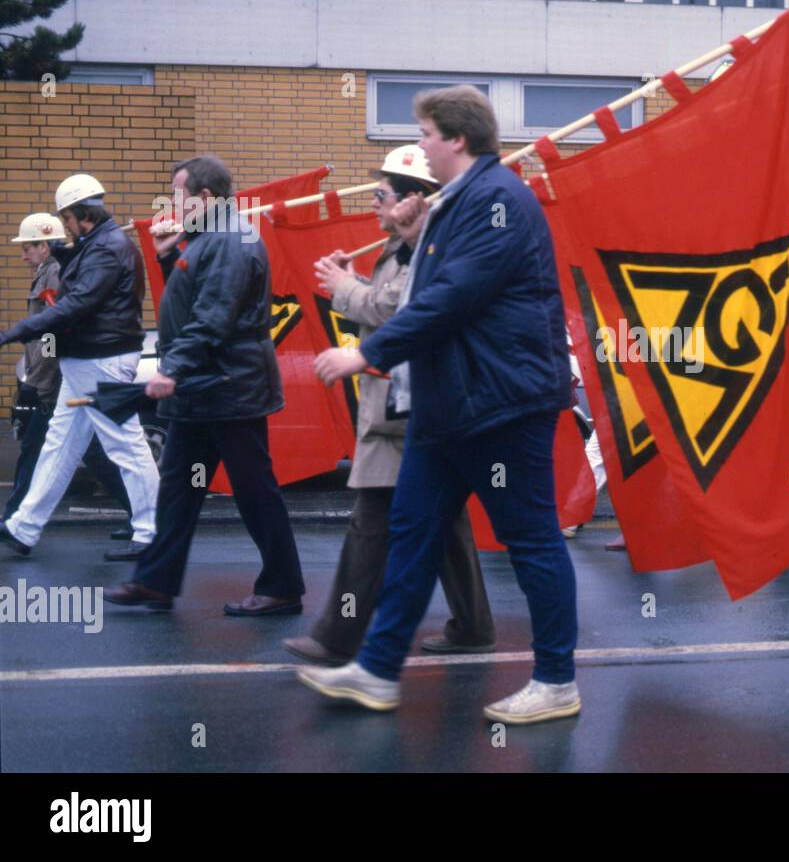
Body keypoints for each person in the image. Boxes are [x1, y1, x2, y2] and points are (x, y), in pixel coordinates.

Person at [304, 86, 579, 723]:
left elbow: (449, 299)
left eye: (426, 133)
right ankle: (376, 670)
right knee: (413, 534)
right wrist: (404, 236)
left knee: (531, 537)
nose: (420, 145)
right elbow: (425, 284)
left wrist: (365, 354)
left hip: (500, 402)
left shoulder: (497, 200)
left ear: (456, 138)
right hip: (448, 404)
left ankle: (557, 680)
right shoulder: (455, 203)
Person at [283, 145, 496, 664]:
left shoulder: (430, 250)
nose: (375, 203)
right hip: (408, 404)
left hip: (407, 408)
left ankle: (336, 637)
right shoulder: (403, 247)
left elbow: (401, 310)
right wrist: (352, 282)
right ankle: (473, 626)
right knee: (445, 525)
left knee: (371, 523)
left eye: (382, 195)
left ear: (412, 200)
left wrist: (344, 288)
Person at [105, 155, 305, 615]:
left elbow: (213, 317)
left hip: (230, 386)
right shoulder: (209, 238)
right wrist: (169, 256)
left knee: (254, 488)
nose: (172, 202)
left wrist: (171, 369)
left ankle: (282, 587)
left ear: (206, 198)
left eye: (179, 193)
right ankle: (156, 581)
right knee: (178, 486)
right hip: (207, 387)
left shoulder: (231, 241)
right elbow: (197, 300)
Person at [0, 175, 159, 559]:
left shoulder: (106, 248)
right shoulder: (101, 245)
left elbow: (79, 303)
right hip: (88, 361)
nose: (64, 224)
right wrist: (63, 251)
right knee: (60, 447)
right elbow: (85, 279)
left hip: (100, 361)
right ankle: (24, 526)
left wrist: (15, 331)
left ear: (79, 213)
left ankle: (154, 530)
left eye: (66, 217)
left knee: (125, 445)